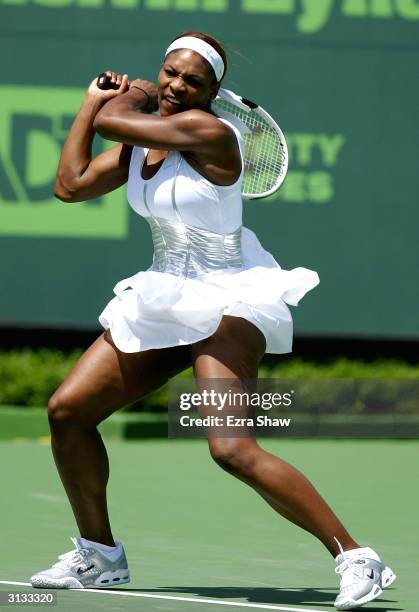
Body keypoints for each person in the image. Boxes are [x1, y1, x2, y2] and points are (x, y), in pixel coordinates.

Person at [29, 32, 395, 610]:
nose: (176, 85)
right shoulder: (139, 146)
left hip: (228, 299)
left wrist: (126, 97)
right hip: (164, 294)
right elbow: (68, 185)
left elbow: (117, 122)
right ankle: (99, 555)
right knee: (68, 412)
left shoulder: (211, 133)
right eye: (168, 73)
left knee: (231, 448)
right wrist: (87, 105)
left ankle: (356, 558)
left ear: (213, 92)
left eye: (192, 80)